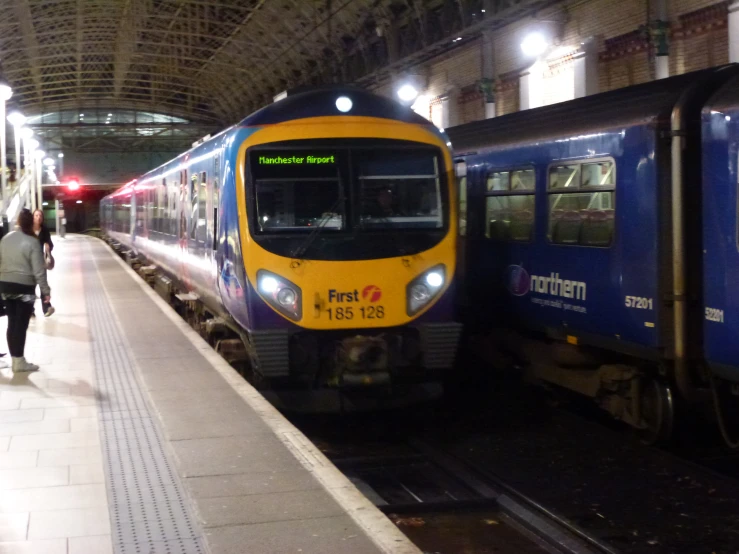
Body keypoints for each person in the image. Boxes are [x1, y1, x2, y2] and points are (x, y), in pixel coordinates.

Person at [0, 209, 50, 372]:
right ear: (31, 223)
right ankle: (18, 361)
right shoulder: (32, 241)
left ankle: (16, 360)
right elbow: (39, 270)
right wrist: (46, 291)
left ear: (18, 222)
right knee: (21, 325)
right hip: (24, 288)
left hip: (6, 286)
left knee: (12, 323)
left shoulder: (5, 239)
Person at [32, 209, 55, 317]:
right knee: (31, 286)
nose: (38, 217)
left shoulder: (44, 230)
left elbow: (51, 243)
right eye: (36, 215)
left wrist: (48, 245)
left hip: (41, 261)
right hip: (29, 262)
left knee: (43, 284)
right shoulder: (28, 230)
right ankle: (30, 310)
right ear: (33, 217)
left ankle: (46, 308)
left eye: (40, 215)